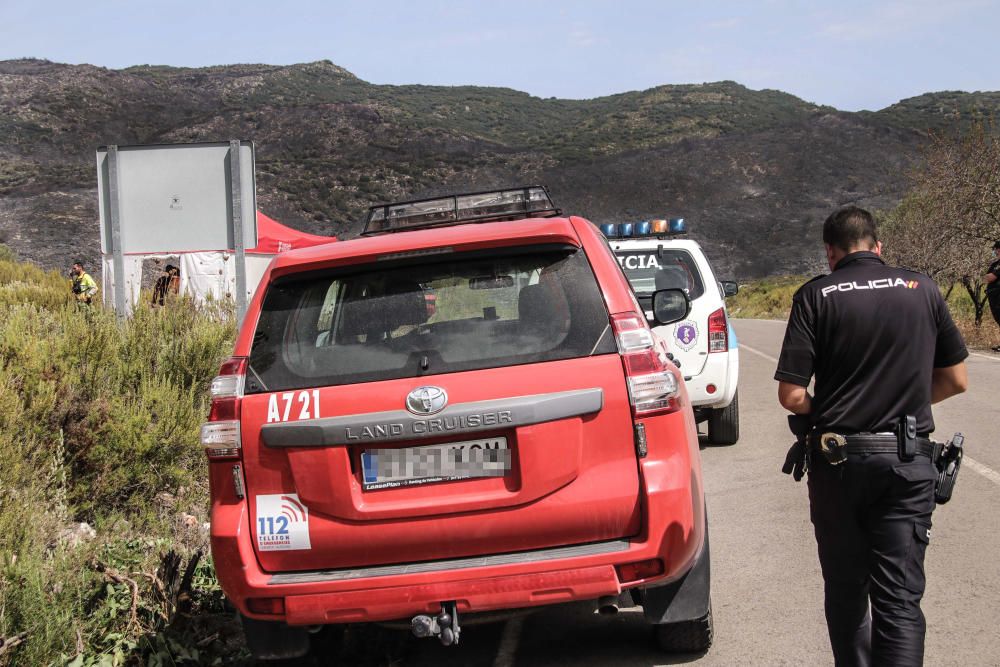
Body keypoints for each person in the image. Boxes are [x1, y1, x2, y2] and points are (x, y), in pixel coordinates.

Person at [774, 206, 968, 666]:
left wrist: (837, 412)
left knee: (845, 594)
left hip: (838, 464)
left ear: (830, 253)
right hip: (906, 462)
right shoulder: (922, 289)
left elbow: (791, 394)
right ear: (878, 247)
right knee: (899, 602)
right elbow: (957, 379)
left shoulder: (815, 296)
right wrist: (904, 406)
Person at [985, 240, 1000, 352]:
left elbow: (990, 277)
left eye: (995, 249)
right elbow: (987, 277)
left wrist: (988, 277)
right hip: (994, 296)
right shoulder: (995, 264)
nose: (994, 251)